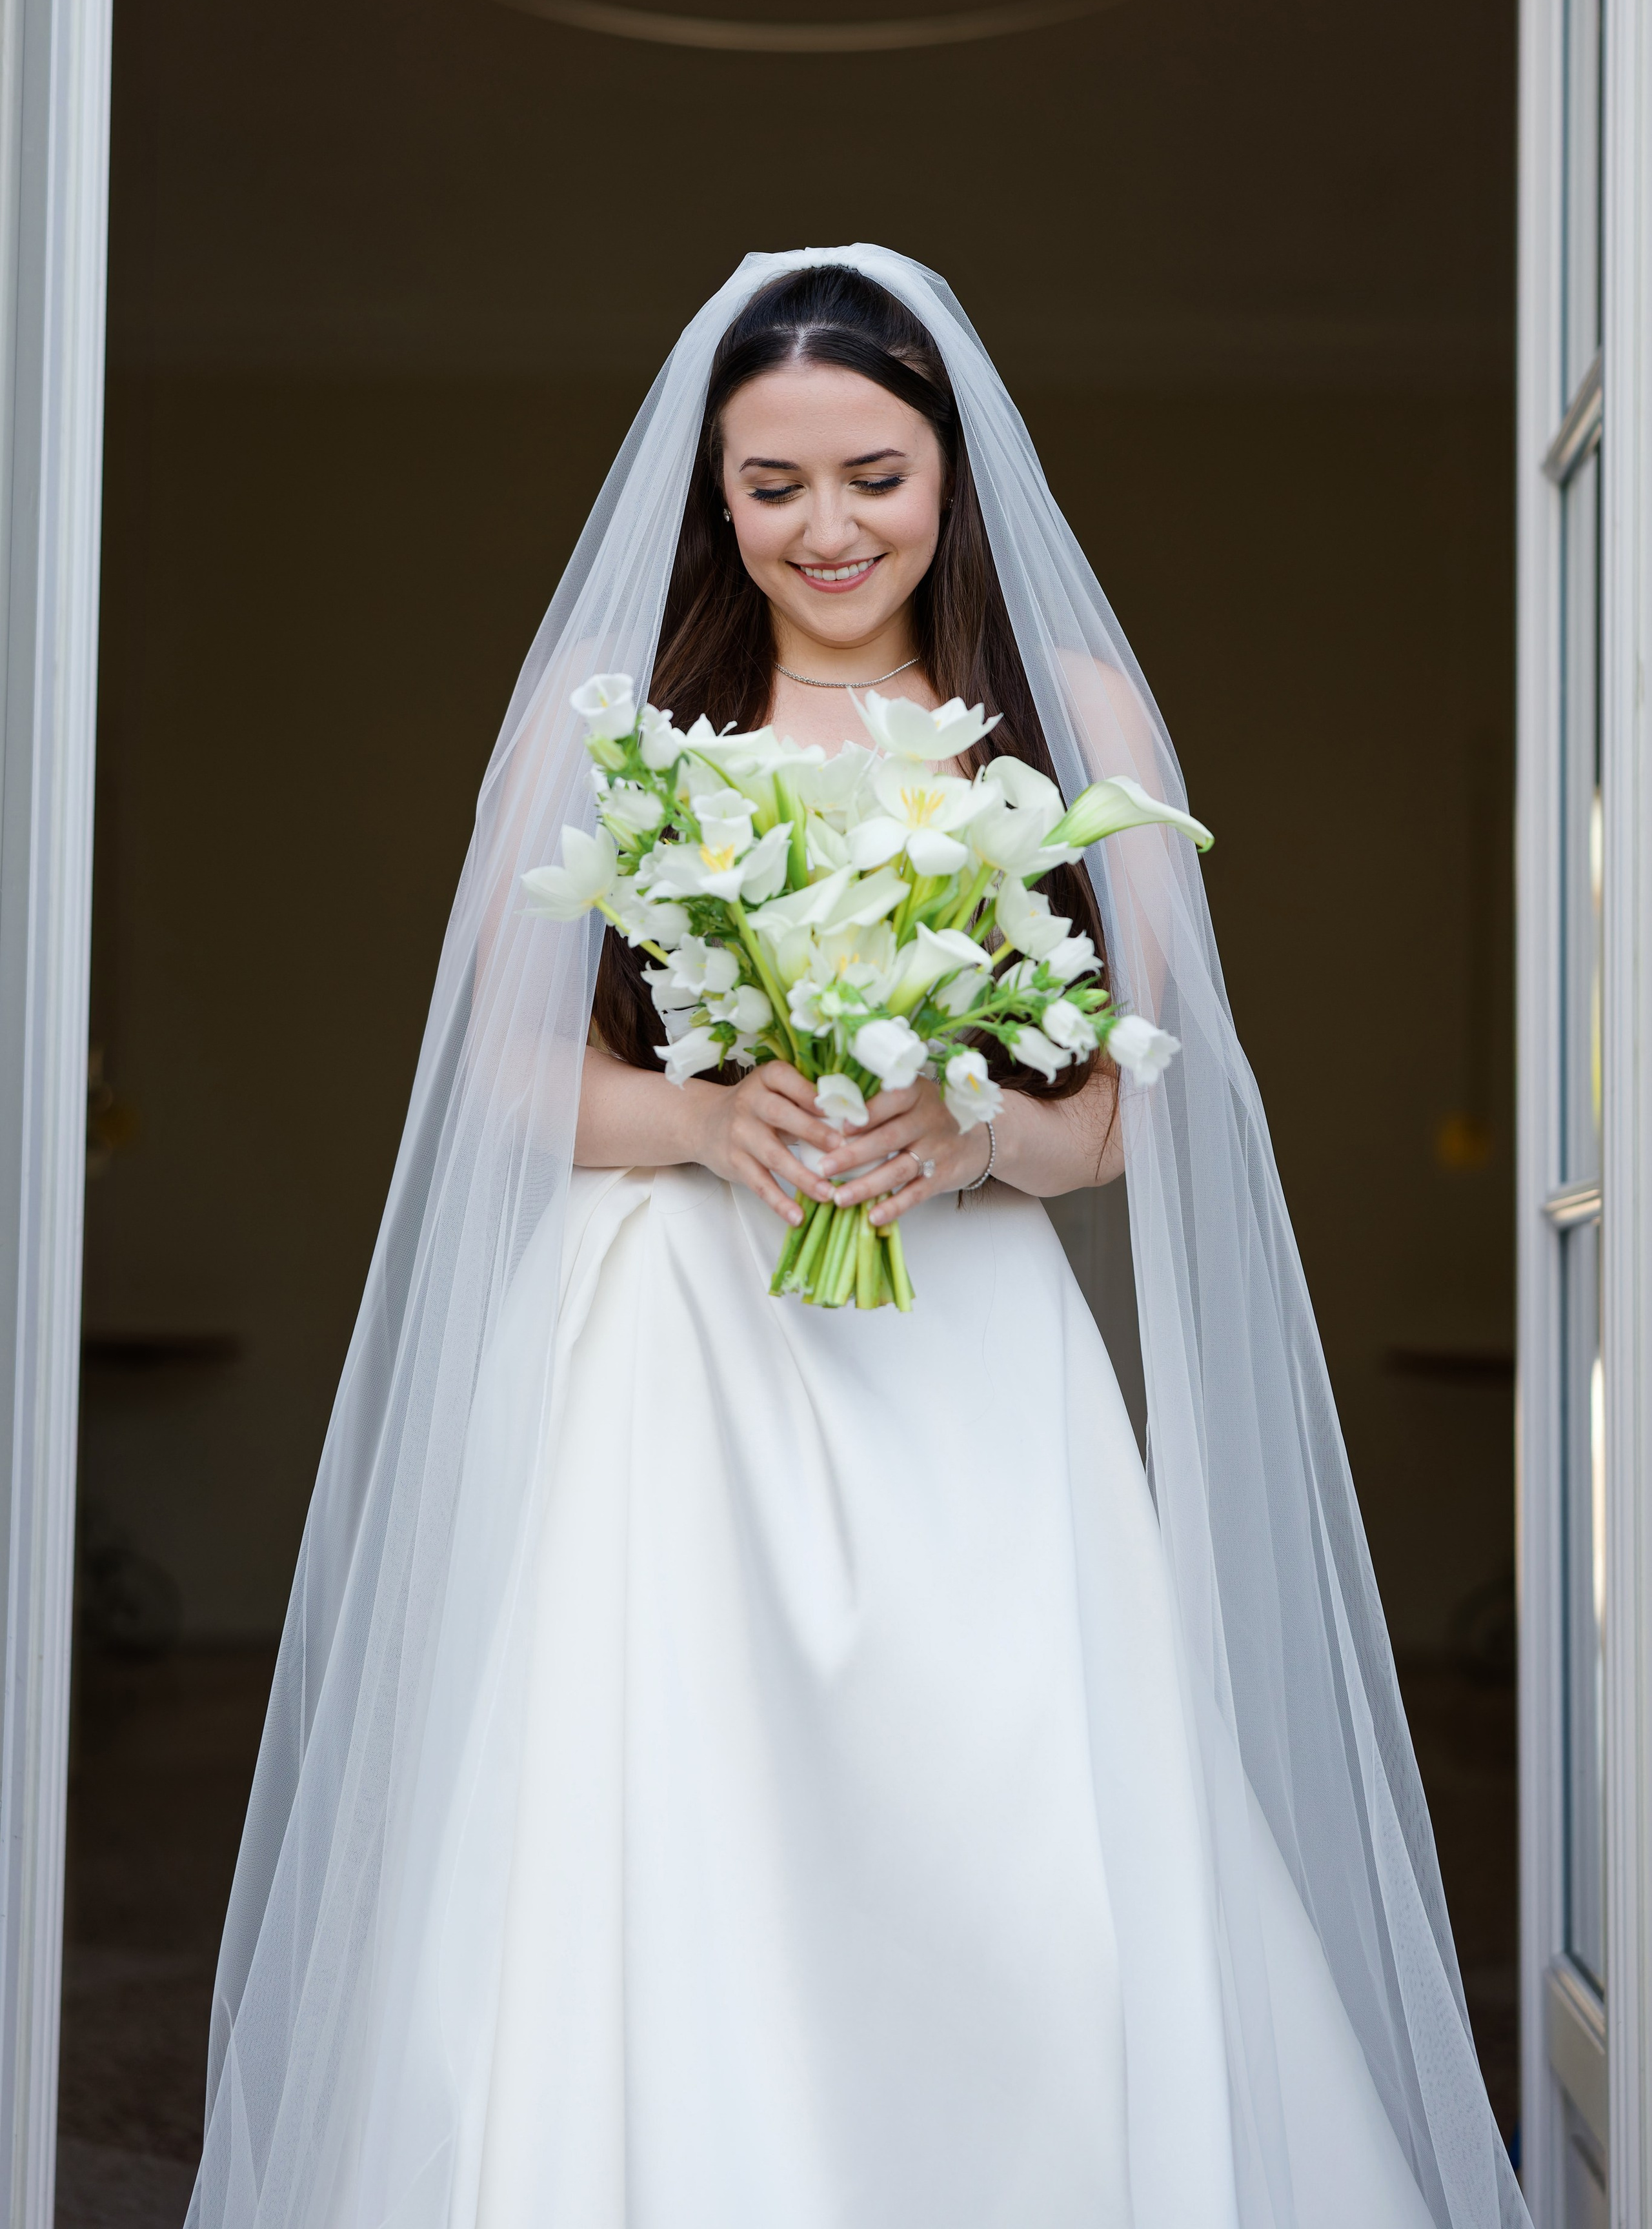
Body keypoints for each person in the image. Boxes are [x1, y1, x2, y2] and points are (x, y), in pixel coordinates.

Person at [188, 250, 1525, 2229]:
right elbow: (492, 1082)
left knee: (1005, 1839)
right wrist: (716, 1120)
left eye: (876, 477)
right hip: (670, 1362)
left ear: (954, 471)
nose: (828, 531)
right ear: (713, 490)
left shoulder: (1071, 718)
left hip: (966, 1366)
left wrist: (973, 1129)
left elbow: (1130, 1118)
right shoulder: (625, 713)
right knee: (664, 1834)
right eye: (776, 485)